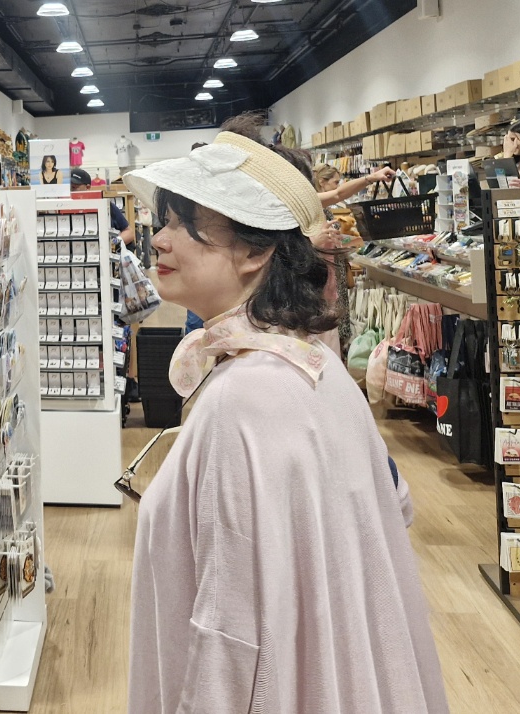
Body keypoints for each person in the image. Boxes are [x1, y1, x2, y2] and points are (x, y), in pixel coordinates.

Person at [123, 129, 447, 714]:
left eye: (184, 224)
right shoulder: (311, 362)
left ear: (255, 251)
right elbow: (393, 501)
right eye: (161, 221)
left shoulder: (241, 397)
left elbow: (229, 630)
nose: (159, 239)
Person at [70, 168, 134, 245]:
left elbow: (129, 232)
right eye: (68, 187)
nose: (70, 191)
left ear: (88, 187)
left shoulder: (105, 206)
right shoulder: (61, 208)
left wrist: (113, 243)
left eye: (74, 187)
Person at [313, 161, 393, 205]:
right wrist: (373, 177)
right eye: (336, 182)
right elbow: (339, 194)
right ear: (322, 182)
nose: (338, 186)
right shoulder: (313, 200)